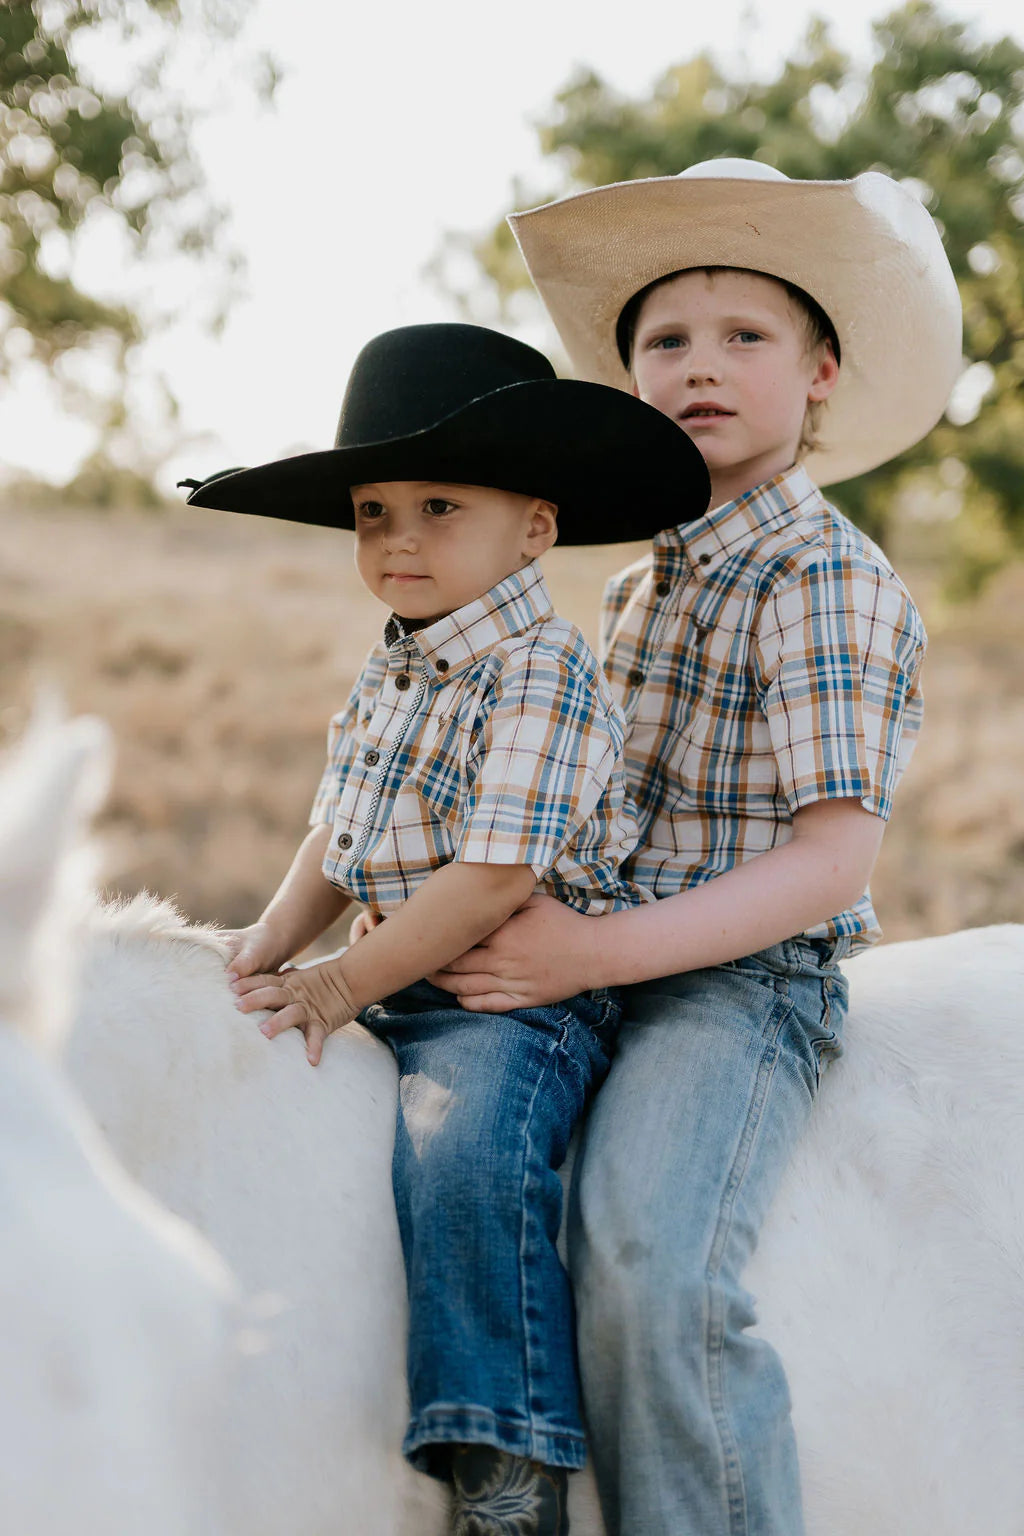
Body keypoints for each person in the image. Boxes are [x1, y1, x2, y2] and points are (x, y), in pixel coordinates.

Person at [426, 160, 963, 1535]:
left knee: (653, 1259)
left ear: (822, 370)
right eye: (665, 340)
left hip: (740, 984)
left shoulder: (824, 577)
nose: (700, 367)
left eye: (746, 337)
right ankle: (500, 1476)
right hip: (600, 950)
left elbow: (830, 861)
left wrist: (589, 951)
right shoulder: (630, 580)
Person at [182, 321, 710, 1536]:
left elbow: (487, 882)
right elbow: (338, 836)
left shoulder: (539, 670)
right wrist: (264, 950)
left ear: (534, 526)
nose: (398, 541)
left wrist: (335, 987)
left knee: (464, 1155)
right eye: (374, 513)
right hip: (393, 969)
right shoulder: (394, 670)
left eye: (437, 508)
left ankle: (506, 1466)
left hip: (510, 1002)